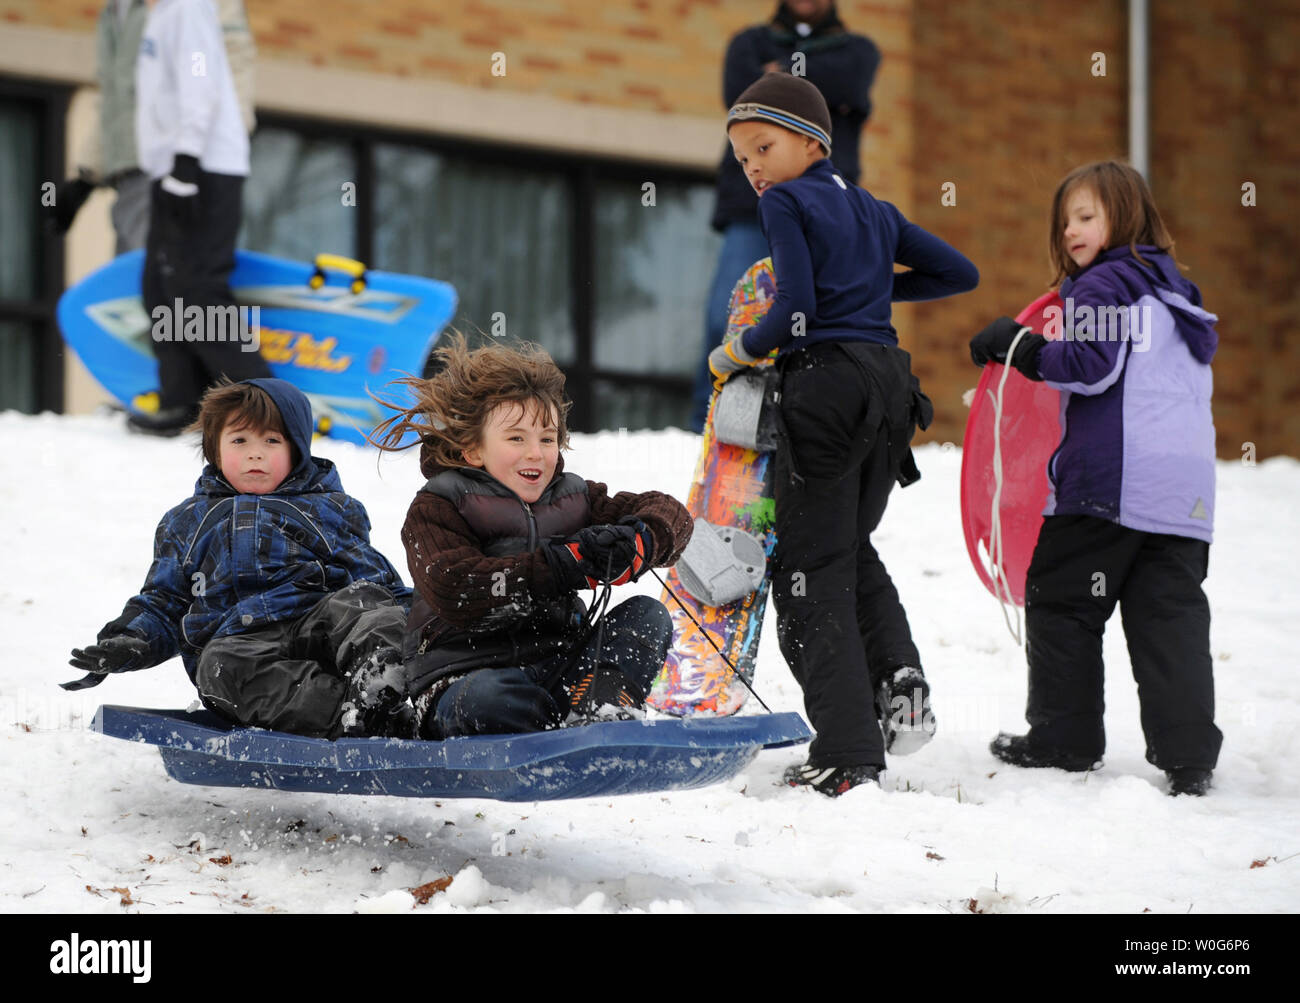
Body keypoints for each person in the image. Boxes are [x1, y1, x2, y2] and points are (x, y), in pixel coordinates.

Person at [709, 73, 979, 796]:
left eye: (764, 147)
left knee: (807, 573)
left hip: (825, 386)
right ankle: (901, 678)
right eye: (741, 159)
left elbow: (792, 308)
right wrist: (865, 285)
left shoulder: (789, 204)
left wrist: (734, 351)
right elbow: (959, 271)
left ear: (812, 142)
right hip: (892, 388)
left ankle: (848, 749)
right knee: (848, 548)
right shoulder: (874, 209)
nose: (754, 168)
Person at [968, 161, 1221, 797]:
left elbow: (1087, 366)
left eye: (1086, 216)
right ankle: (1189, 756)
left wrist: (1016, 345)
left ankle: (1064, 738)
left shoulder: (1105, 285)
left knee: (1060, 600)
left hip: (1109, 483)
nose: (1072, 232)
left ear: (1124, 218)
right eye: (1065, 222)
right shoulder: (1178, 296)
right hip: (1182, 497)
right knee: (1169, 618)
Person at [371, 335, 694, 740]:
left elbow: (671, 513)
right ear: (473, 450)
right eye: (516, 438)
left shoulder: (574, 497)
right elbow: (454, 584)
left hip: (559, 667)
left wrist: (640, 541)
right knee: (492, 697)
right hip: (462, 677)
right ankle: (548, 726)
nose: (536, 453)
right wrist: (558, 567)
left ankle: (600, 707)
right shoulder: (439, 505)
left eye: (547, 438)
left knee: (648, 615)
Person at [67, 378, 415, 739]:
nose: (255, 453)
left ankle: (380, 675)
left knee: (364, 603)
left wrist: (427, 620)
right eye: (239, 440)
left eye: (271, 441)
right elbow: (164, 601)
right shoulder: (187, 523)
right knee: (219, 667)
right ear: (214, 450)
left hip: (318, 626)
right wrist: (131, 641)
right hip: (242, 644)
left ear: (297, 449)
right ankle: (354, 713)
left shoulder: (326, 509)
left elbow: (377, 582)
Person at [690, 0, 880, 432]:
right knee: (729, 313)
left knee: (822, 318)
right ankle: (708, 418)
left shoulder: (858, 50)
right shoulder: (749, 42)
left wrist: (778, 76)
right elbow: (739, 95)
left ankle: (808, 424)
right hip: (751, 204)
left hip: (825, 212)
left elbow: (850, 83)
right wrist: (813, 84)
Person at [128, 0, 269, 437]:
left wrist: (187, 158)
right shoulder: (159, 14)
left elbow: (199, 78)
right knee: (160, 287)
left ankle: (268, 408)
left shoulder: (188, 7)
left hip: (204, 165)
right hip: (173, 168)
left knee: (196, 291)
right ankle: (185, 403)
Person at [49, 0, 255, 255]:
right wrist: (86, 176)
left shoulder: (192, 7)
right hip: (129, 179)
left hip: (173, 168)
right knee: (138, 282)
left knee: (169, 278)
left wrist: (205, 154)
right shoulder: (114, 11)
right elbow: (116, 100)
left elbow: (217, 68)